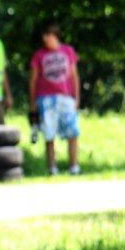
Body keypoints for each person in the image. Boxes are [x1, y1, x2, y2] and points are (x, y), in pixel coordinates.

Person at [29, 21, 81, 175]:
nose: (45, 39)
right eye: (44, 36)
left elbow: (74, 76)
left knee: (73, 133)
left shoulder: (68, 51)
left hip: (66, 98)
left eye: (48, 35)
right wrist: (32, 102)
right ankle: (52, 168)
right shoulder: (39, 55)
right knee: (49, 134)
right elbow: (32, 80)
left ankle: (74, 167)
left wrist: (76, 97)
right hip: (45, 99)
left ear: (55, 35)